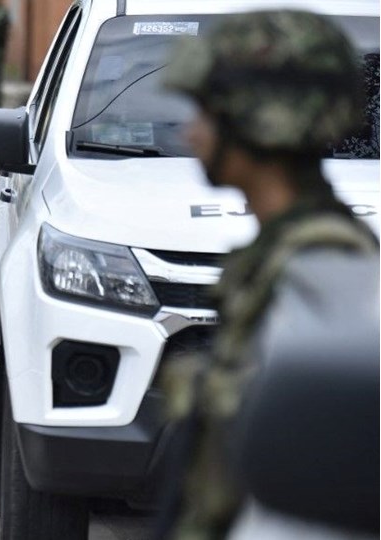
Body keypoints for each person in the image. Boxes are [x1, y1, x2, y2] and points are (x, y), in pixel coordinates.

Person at [155, 10, 379, 540]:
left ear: (263, 120)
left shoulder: (324, 272)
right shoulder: (279, 254)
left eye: (207, 113)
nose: (191, 132)